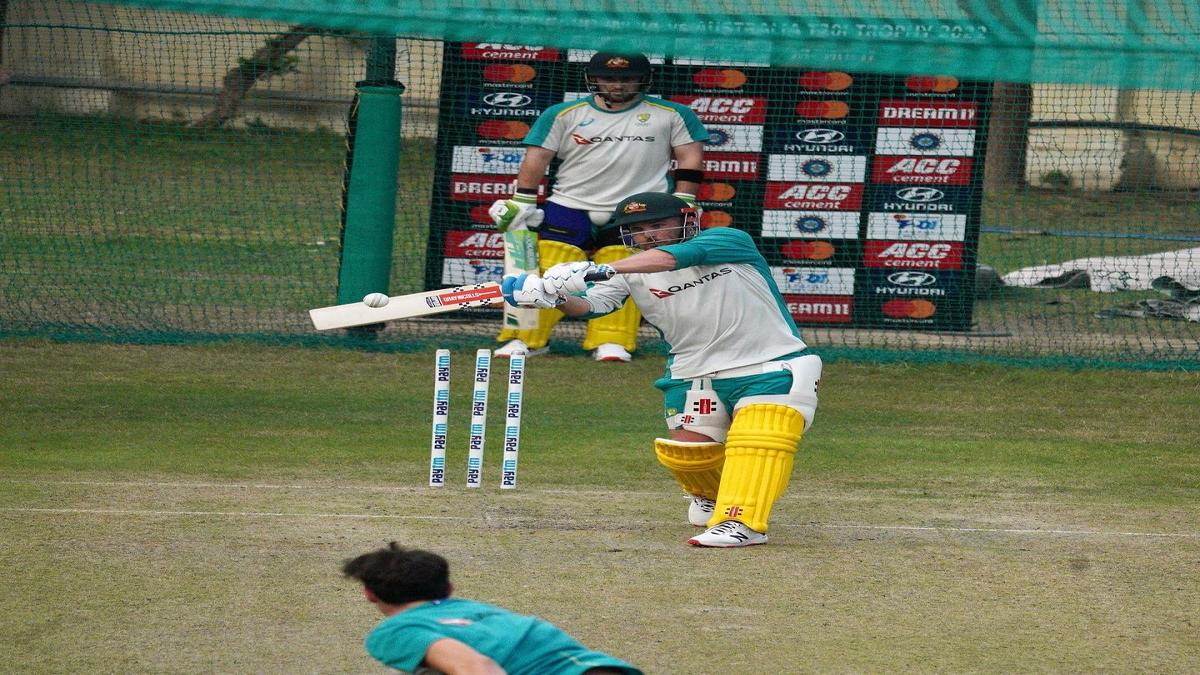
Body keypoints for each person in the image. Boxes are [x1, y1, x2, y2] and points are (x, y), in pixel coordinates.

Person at [502, 193, 823, 547]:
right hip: (692, 375)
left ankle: (741, 524)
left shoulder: (728, 241)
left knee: (759, 443)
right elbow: (591, 305)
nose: (649, 234)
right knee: (687, 456)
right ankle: (716, 498)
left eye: (657, 224)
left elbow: (675, 258)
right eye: (638, 230)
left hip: (770, 364)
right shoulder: (628, 274)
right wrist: (552, 296)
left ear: (687, 218)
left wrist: (597, 268)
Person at [488, 51, 708, 362]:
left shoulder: (672, 114)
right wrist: (522, 199)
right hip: (568, 204)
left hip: (639, 209)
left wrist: (684, 199)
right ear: (594, 79)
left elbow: (690, 157)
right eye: (609, 78)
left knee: (627, 271)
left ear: (643, 80)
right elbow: (537, 158)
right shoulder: (563, 113)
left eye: (627, 78)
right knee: (549, 269)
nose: (617, 85)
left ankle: (612, 340)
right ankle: (526, 338)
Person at [342, 543, 642, 674]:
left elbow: (478, 668)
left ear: (369, 594)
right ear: (448, 589)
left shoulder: (396, 631)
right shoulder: (480, 612)